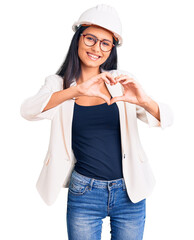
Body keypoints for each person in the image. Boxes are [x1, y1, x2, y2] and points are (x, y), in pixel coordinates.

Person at [20, 4, 173, 240]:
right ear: (78, 39)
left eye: (105, 43)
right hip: (84, 192)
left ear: (111, 49)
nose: (96, 48)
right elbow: (28, 111)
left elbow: (167, 119)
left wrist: (144, 101)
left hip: (130, 190)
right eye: (90, 39)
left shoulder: (122, 82)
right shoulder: (57, 84)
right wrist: (75, 90)